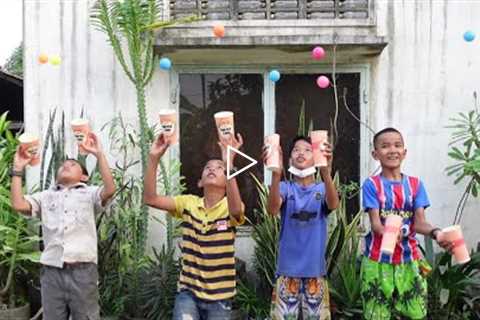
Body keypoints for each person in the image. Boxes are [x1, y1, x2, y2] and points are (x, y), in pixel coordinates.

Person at [10, 132, 116, 320]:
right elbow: (18, 204)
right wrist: (18, 169)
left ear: (84, 177)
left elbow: (109, 190)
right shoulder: (45, 196)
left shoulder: (90, 194)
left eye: (73, 164)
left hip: (83, 271)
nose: (66, 164)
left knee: (86, 317)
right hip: (52, 271)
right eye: (63, 165)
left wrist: (99, 154)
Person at [144, 132, 245, 320]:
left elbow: (237, 211)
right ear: (200, 181)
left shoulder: (229, 206)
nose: (212, 169)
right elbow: (150, 198)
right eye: (207, 167)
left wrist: (229, 164)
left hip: (221, 298)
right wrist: (153, 158)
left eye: (220, 168)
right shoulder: (188, 203)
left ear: (228, 179)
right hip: (188, 294)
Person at [360, 127, 451, 319]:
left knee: (415, 311)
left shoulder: (415, 185)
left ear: (404, 152)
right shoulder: (371, 185)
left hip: (409, 259)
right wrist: (387, 232)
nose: (392, 150)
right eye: (385, 146)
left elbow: (419, 223)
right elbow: (376, 224)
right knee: (376, 313)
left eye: (397, 145)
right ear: (375, 154)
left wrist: (437, 233)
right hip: (377, 259)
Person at [265, 135, 339, 320]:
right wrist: (275, 174)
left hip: (315, 273)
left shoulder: (322, 189)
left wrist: (326, 173)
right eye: (296, 150)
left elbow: (333, 204)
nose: (301, 153)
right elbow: (273, 209)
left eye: (307, 150)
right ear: (289, 158)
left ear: (316, 157)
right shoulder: (284, 187)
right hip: (287, 273)